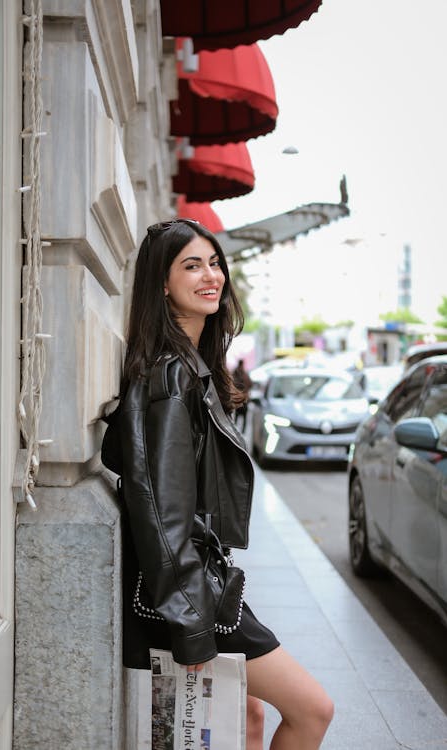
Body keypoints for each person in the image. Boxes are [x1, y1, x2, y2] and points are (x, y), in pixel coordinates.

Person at [101, 218, 333, 749]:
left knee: (247, 716)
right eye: (191, 265)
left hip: (198, 583)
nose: (211, 276)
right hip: (186, 591)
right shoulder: (170, 378)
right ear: (162, 283)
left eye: (214, 263)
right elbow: (162, 513)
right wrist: (191, 623)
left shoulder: (189, 367)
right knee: (313, 710)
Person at [232, 358, 253, 432]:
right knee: (244, 417)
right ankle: (242, 431)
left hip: (237, 398)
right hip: (244, 399)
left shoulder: (234, 373)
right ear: (242, 364)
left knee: (237, 416)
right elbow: (250, 384)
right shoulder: (244, 374)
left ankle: (235, 430)